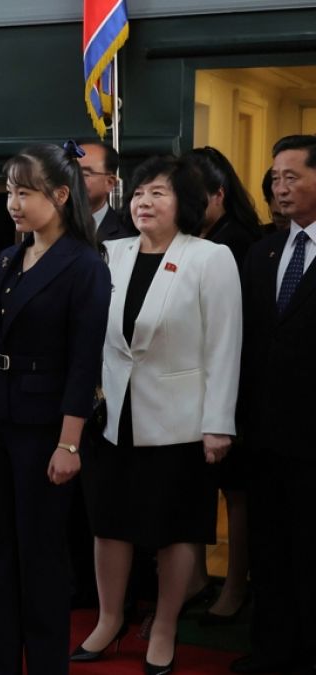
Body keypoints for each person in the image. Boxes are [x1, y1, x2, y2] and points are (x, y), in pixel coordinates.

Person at [0, 143, 110, 675]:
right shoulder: (7, 257)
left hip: (47, 429)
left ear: (61, 196)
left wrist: (69, 443)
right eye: (10, 191)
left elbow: (85, 364)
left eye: (25, 192)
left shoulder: (85, 264)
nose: (13, 202)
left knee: (40, 555)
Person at [74, 155, 241, 675]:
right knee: (109, 524)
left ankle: (164, 626)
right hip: (112, 416)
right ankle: (108, 619)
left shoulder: (210, 258)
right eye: (140, 192)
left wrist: (219, 423)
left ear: (184, 203)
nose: (145, 201)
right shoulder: (110, 253)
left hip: (181, 422)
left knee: (173, 530)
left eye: (159, 193)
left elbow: (224, 347)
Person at [232, 134, 316, 675]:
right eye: (275, 179)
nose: (279, 188)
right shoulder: (261, 251)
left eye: (292, 177)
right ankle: (270, 654)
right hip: (262, 436)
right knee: (269, 553)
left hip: (313, 440)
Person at [180, 145, 262, 625]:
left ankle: (234, 587)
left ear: (218, 195)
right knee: (195, 489)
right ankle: (194, 582)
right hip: (190, 385)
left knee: (236, 494)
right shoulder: (194, 238)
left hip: (233, 386)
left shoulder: (239, 243)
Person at [80, 141, 137, 243]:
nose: (73, 179)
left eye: (84, 174)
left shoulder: (130, 234)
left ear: (110, 182)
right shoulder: (48, 228)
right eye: (69, 171)